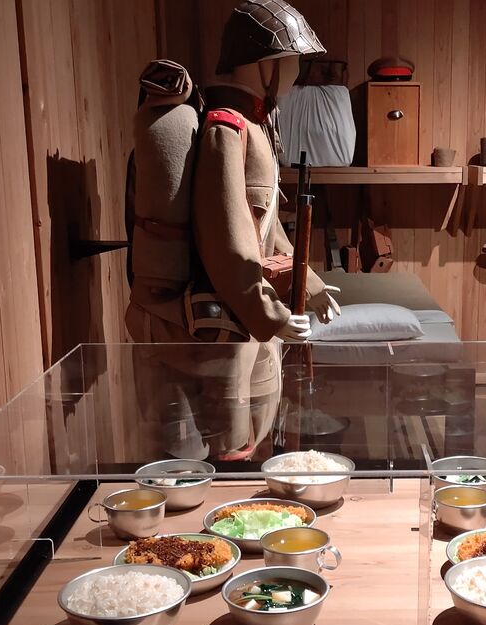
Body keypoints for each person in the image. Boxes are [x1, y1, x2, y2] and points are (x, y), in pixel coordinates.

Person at [125, 0, 339, 461]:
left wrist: (308, 285)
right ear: (265, 65)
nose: (297, 72)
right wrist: (272, 315)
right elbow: (227, 242)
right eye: (292, 61)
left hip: (239, 324)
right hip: (211, 328)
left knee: (244, 443)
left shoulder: (256, 126)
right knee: (204, 458)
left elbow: (265, 229)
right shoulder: (227, 129)